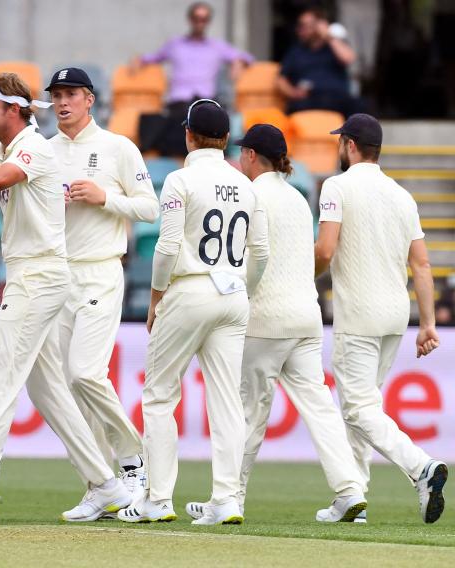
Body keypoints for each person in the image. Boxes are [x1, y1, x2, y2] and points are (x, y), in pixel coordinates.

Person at [0, 73, 130, 524]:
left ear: (13, 110)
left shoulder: (35, 147)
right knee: (47, 389)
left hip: (38, 276)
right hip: (31, 275)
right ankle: (106, 483)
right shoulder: (2, 148)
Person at [183, 124, 367, 524]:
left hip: (265, 318)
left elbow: (251, 259)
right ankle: (350, 489)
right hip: (306, 316)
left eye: (241, 154)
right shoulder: (299, 198)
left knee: (247, 414)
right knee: (320, 408)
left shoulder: (250, 194)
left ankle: (228, 499)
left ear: (250, 156)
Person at [118, 99, 269, 526]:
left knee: (161, 394)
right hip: (233, 293)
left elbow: (166, 248)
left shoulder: (181, 180)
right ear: (225, 139)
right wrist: (245, 290)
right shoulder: (247, 185)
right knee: (226, 400)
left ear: (188, 135)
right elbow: (261, 252)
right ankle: (227, 499)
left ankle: (158, 499)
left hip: (189, 288)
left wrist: (155, 297)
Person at [315, 113, 447, 524]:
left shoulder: (336, 186)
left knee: (356, 409)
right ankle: (353, 499)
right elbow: (422, 266)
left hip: (359, 314)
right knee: (365, 408)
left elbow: (324, 250)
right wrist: (427, 323)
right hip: (395, 315)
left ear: (350, 145)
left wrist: (301, 282)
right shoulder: (401, 195)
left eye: (341, 142)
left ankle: (421, 467)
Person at [45, 67, 158, 510]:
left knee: (85, 373)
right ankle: (98, 485)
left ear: (89, 99)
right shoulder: (45, 151)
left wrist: (104, 198)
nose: (62, 103)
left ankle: (133, 458)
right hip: (58, 277)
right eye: (55, 96)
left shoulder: (118, 148)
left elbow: (149, 207)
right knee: (73, 390)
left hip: (100, 271)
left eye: (71, 93)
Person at [131, 2, 253, 104]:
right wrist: (139, 59)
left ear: (208, 22)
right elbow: (153, 57)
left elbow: (248, 57)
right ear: (190, 19)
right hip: (179, 102)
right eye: (196, 18)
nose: (200, 23)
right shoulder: (174, 44)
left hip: (206, 101)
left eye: (204, 19)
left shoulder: (217, 46)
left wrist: (238, 62)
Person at [277, 7, 359, 116]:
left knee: (358, 107)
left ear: (319, 25)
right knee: (292, 109)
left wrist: (328, 36)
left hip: (337, 98)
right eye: (299, 26)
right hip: (308, 100)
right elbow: (280, 79)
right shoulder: (296, 51)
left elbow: (348, 58)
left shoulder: (334, 44)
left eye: (305, 26)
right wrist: (293, 93)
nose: (300, 30)